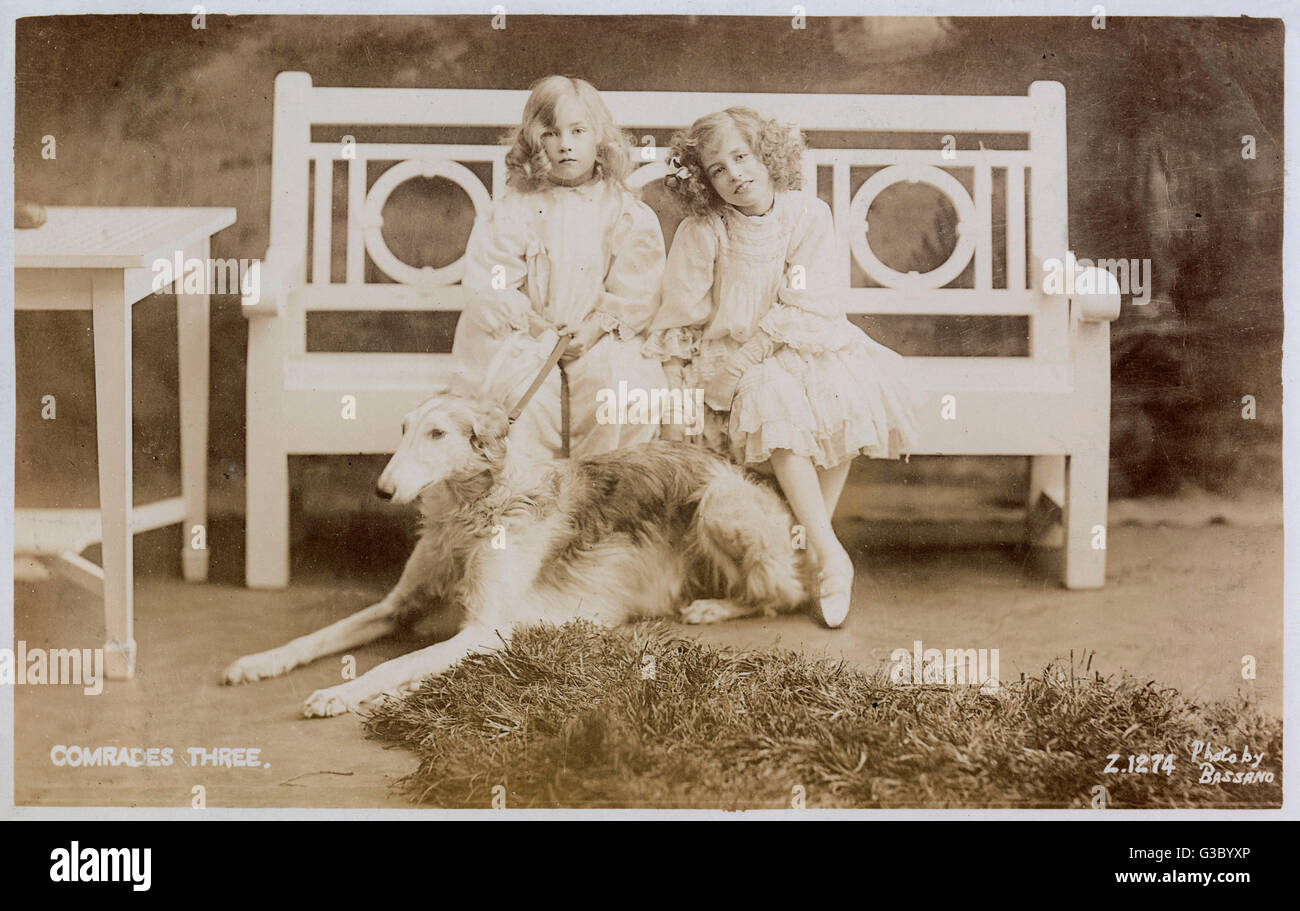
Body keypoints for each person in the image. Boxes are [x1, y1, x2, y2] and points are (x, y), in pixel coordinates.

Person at [645, 106, 920, 627]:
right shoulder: (705, 231)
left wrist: (757, 353)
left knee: (845, 392)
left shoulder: (807, 215)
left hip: (802, 339)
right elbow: (682, 314)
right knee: (772, 398)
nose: (735, 175)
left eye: (742, 157)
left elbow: (807, 304)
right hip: (731, 358)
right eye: (717, 169)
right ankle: (825, 558)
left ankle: (821, 552)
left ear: (767, 156)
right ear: (704, 181)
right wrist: (688, 377)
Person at [454, 75, 667, 459]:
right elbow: (492, 281)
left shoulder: (623, 210)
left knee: (618, 390)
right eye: (551, 133)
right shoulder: (514, 208)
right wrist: (538, 329)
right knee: (522, 395)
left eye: (578, 131)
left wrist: (594, 328)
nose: (565, 145)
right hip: (529, 334)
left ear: (599, 140)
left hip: (598, 335)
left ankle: (598, 496)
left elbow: (638, 287)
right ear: (534, 142)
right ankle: (532, 500)